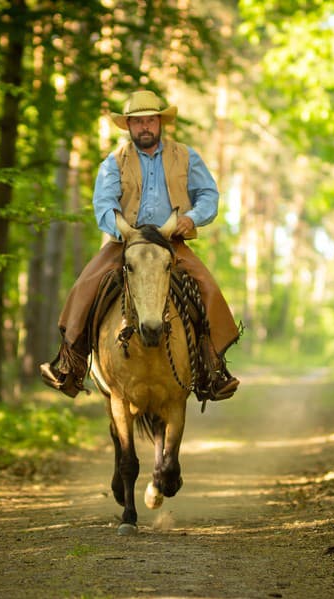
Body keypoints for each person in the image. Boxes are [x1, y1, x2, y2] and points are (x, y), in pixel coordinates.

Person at [40, 89, 240, 402]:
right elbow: (103, 204)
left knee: (207, 288)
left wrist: (191, 218)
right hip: (127, 241)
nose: (144, 127)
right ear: (129, 127)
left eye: (150, 120)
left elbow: (208, 195)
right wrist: (119, 228)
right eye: (137, 122)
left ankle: (212, 369)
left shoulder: (186, 156)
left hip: (171, 241)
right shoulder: (113, 161)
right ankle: (69, 364)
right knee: (85, 285)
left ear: (160, 123)